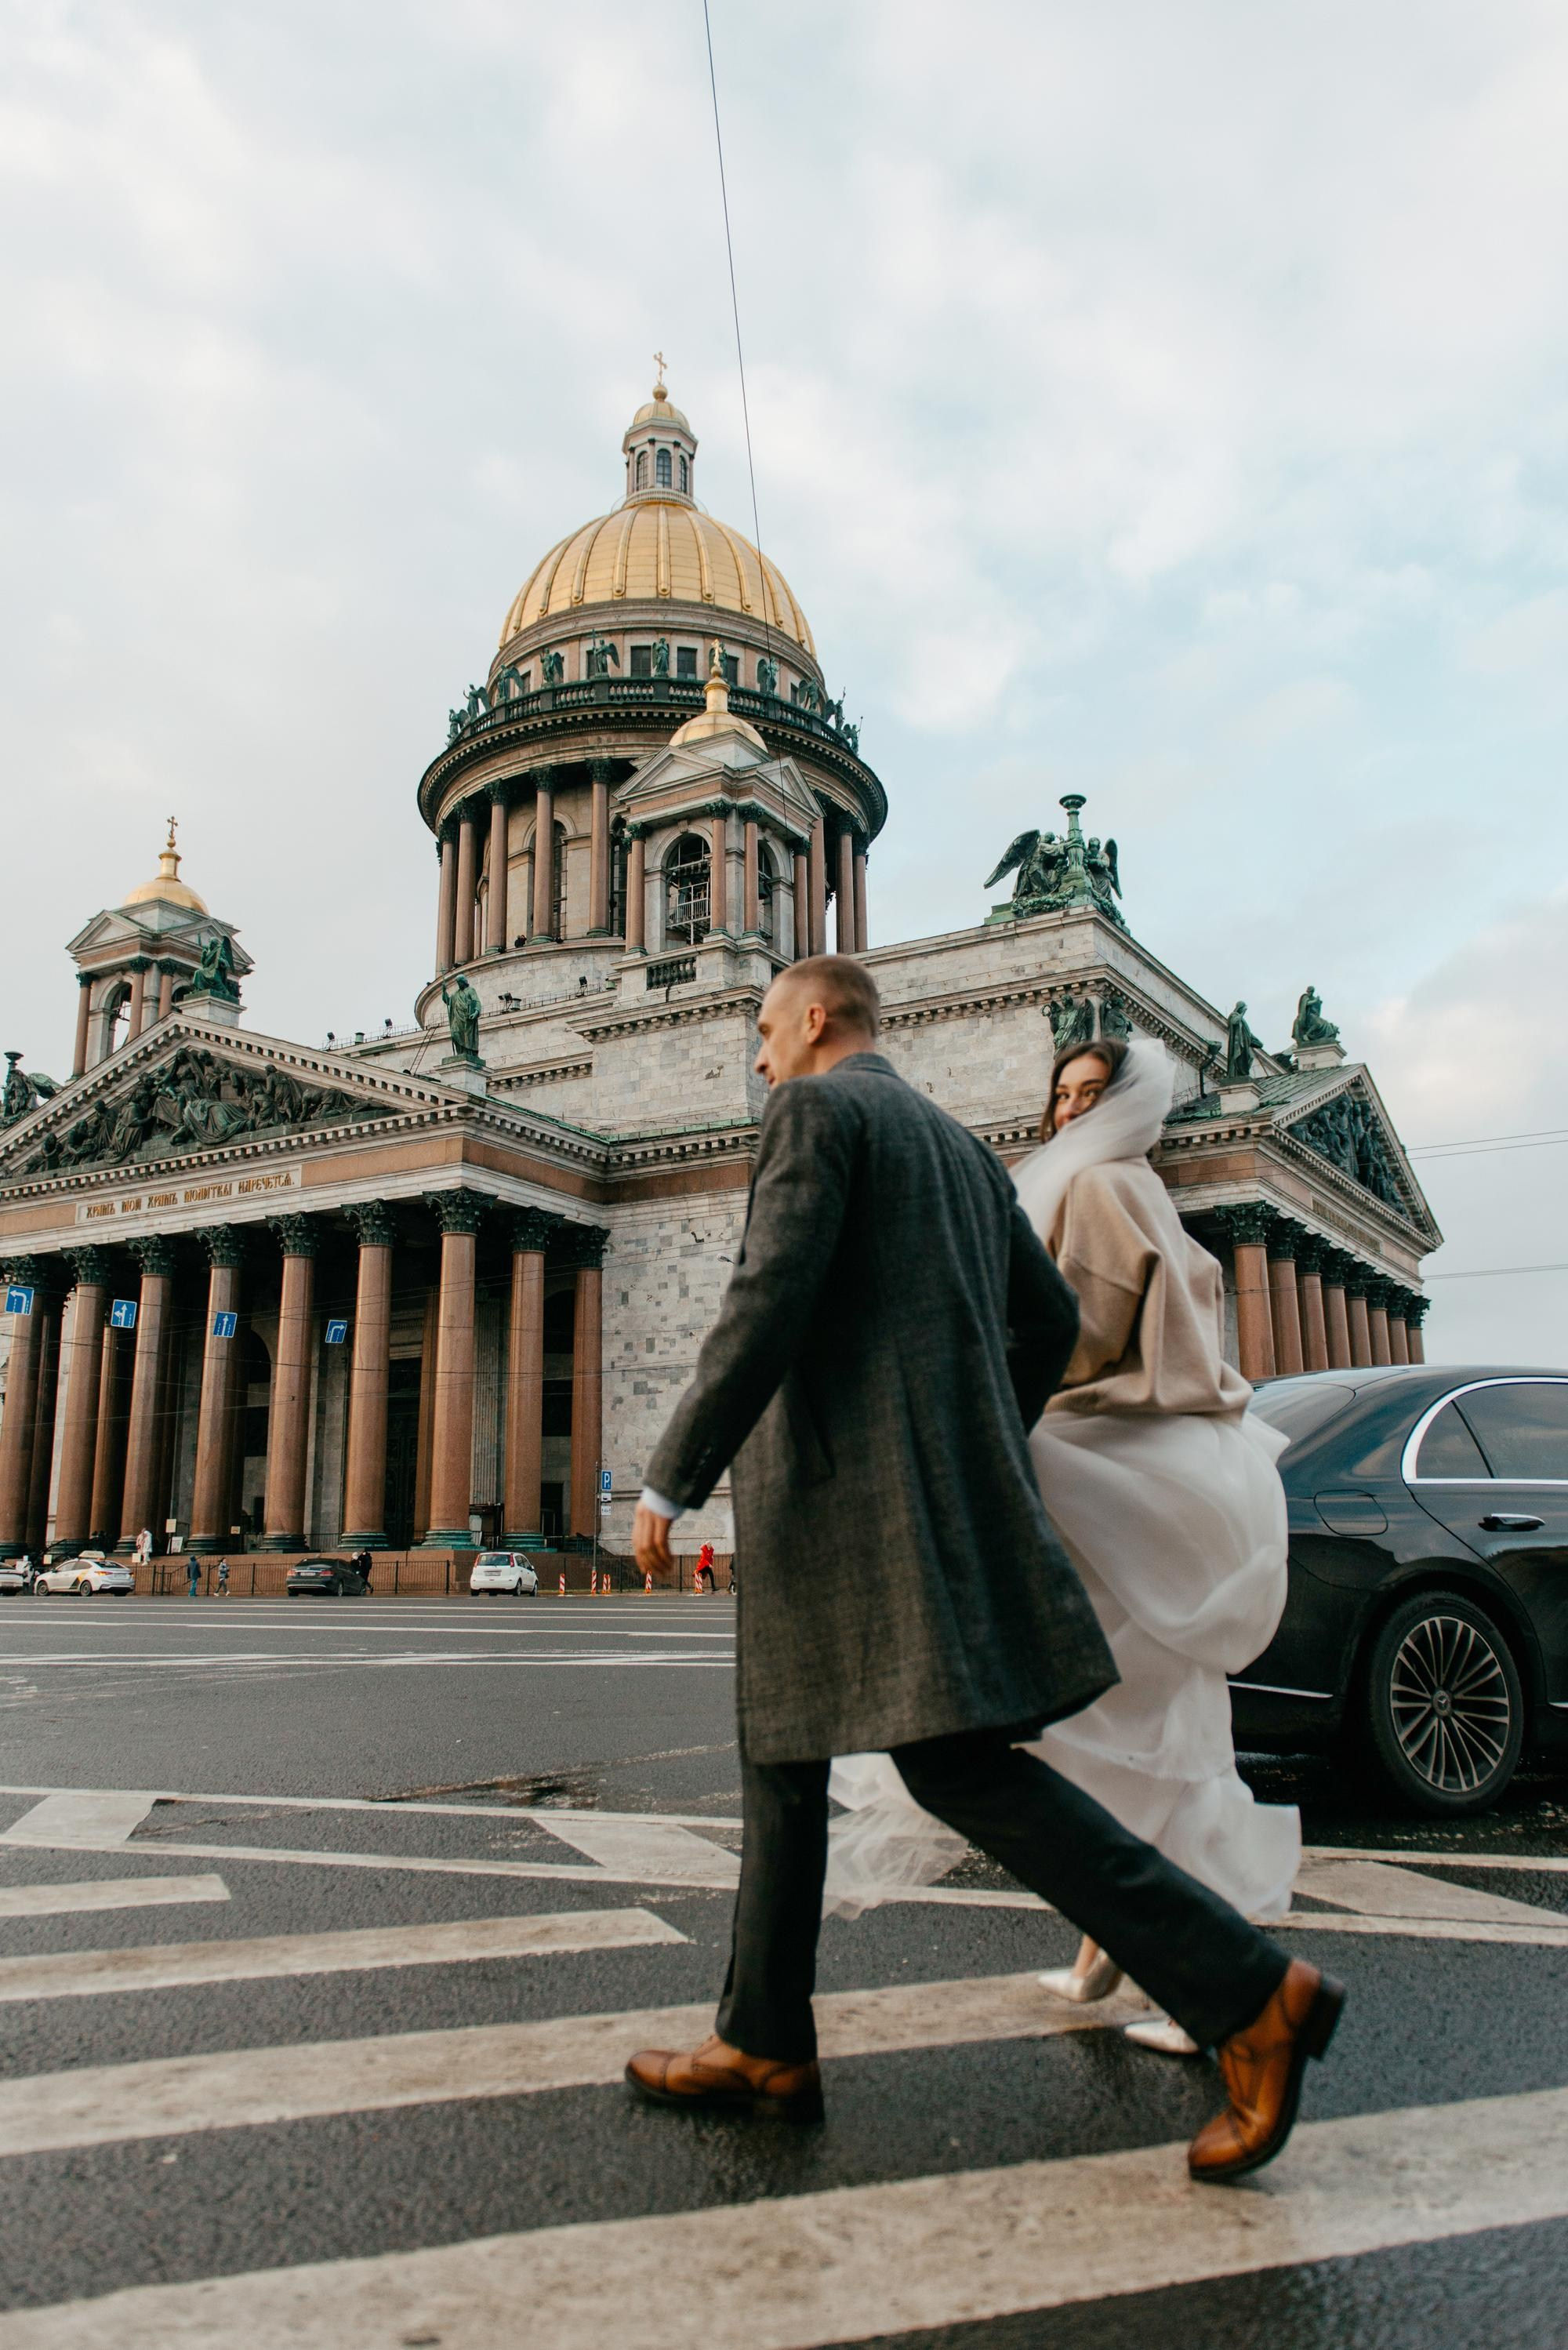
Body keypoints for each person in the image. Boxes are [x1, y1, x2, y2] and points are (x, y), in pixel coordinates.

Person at [626, 956, 1342, 2185]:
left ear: (811, 1019)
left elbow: (768, 1296)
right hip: (926, 1500)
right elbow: (1051, 1324)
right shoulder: (958, 1145)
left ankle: (1247, 1989)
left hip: (843, 1511)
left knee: (956, 1765)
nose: (755, 1058)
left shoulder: (815, 1110)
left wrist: (672, 1473)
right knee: (785, 1759)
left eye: (762, 1031)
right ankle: (762, 2037)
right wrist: (973, 1431)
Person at [827, 1037, 1298, 2056]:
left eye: (1089, 1095)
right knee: (1149, 1729)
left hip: (1112, 1475)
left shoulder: (1095, 1192)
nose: (1067, 1113)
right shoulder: (1141, 1186)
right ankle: (1111, 1954)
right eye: (1062, 1095)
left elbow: (1077, 1336)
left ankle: (1202, 1976)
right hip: (1170, 1479)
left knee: (1123, 1735)